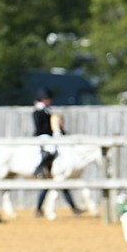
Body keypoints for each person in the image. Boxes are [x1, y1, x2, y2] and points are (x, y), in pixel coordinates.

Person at [31, 89, 83, 217]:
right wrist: (52, 133)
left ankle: (73, 207)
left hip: (51, 136)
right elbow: (40, 128)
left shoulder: (49, 111)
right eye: (47, 99)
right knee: (51, 149)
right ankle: (40, 168)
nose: (50, 101)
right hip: (42, 136)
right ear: (42, 99)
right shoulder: (38, 111)